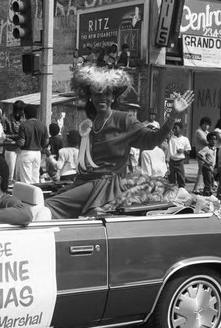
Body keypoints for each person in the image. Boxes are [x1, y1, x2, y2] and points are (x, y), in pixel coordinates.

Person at [44, 66, 194, 218]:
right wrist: (74, 186)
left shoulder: (124, 119)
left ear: (113, 97)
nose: (102, 97)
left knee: (48, 207)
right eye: (97, 93)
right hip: (87, 183)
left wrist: (173, 115)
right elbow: (87, 166)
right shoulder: (89, 125)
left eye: (107, 93)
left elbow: (151, 140)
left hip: (108, 186)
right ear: (91, 97)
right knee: (46, 203)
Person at [16, 105, 49, 184]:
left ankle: (27, 196)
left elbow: (21, 142)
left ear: (25, 114)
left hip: (26, 152)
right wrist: (41, 145)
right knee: (35, 179)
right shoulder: (42, 125)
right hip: (37, 153)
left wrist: (15, 143)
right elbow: (46, 141)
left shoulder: (23, 125)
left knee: (26, 180)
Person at [3, 100, 25, 183]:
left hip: (21, 148)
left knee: (19, 173)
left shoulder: (24, 120)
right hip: (10, 148)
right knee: (10, 172)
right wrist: (16, 136)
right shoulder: (7, 119)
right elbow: (4, 135)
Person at [167, 122, 191, 188]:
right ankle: (172, 191)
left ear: (180, 129)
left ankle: (181, 190)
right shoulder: (171, 138)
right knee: (171, 179)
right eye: (173, 128)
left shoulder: (185, 139)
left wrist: (183, 151)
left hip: (180, 161)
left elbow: (188, 151)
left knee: (181, 177)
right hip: (171, 161)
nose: (174, 130)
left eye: (176, 128)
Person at [193, 116, 212, 194]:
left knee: (206, 171)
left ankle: (202, 187)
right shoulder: (199, 131)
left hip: (207, 153)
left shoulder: (207, 132)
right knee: (201, 171)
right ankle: (197, 188)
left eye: (208, 125)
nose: (206, 126)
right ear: (201, 124)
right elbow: (205, 142)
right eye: (205, 124)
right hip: (201, 154)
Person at [197, 132, 218, 197]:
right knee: (208, 183)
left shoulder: (214, 148)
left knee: (211, 182)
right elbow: (199, 154)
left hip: (212, 168)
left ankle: (208, 194)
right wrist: (206, 161)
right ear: (208, 140)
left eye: (215, 139)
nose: (214, 141)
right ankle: (206, 195)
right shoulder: (206, 148)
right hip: (207, 168)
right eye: (212, 139)